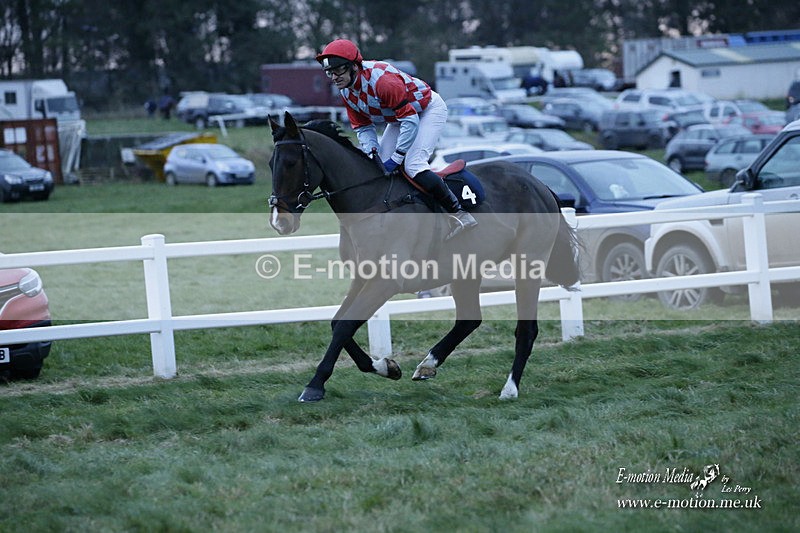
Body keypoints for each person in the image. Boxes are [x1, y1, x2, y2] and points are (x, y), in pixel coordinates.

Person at [316, 39, 476, 239]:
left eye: (338, 70)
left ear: (354, 67)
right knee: (378, 166)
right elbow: (363, 127)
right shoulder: (346, 91)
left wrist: (397, 157)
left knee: (413, 164)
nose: (334, 77)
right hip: (398, 117)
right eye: (330, 72)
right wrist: (372, 151)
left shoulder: (382, 81)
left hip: (426, 110)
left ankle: (459, 213)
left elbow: (410, 121)